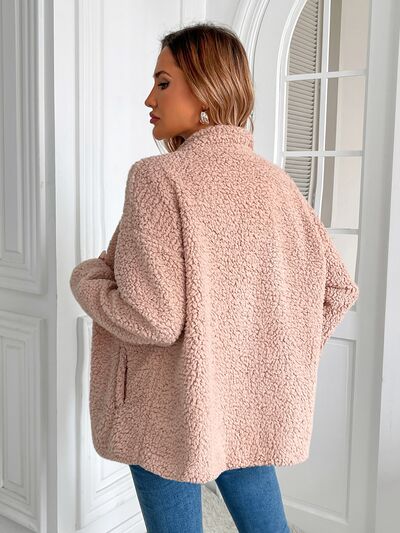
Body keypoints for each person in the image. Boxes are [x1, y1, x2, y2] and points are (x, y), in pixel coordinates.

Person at [70, 22, 359, 533]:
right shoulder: (276, 183)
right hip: (244, 404)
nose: (149, 99)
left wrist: (86, 278)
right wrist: (265, 359)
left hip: (168, 409)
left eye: (163, 83)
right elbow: (337, 289)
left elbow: (151, 318)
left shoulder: (158, 178)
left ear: (205, 89)